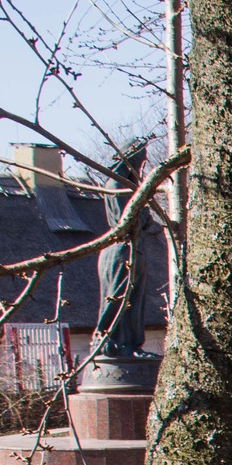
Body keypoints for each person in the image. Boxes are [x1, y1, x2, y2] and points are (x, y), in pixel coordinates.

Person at [93, 140, 153, 357]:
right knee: (120, 297)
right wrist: (144, 215)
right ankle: (117, 343)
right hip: (122, 250)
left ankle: (132, 345)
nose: (141, 165)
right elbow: (126, 222)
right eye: (139, 159)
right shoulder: (117, 185)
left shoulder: (127, 186)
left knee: (135, 299)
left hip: (133, 247)